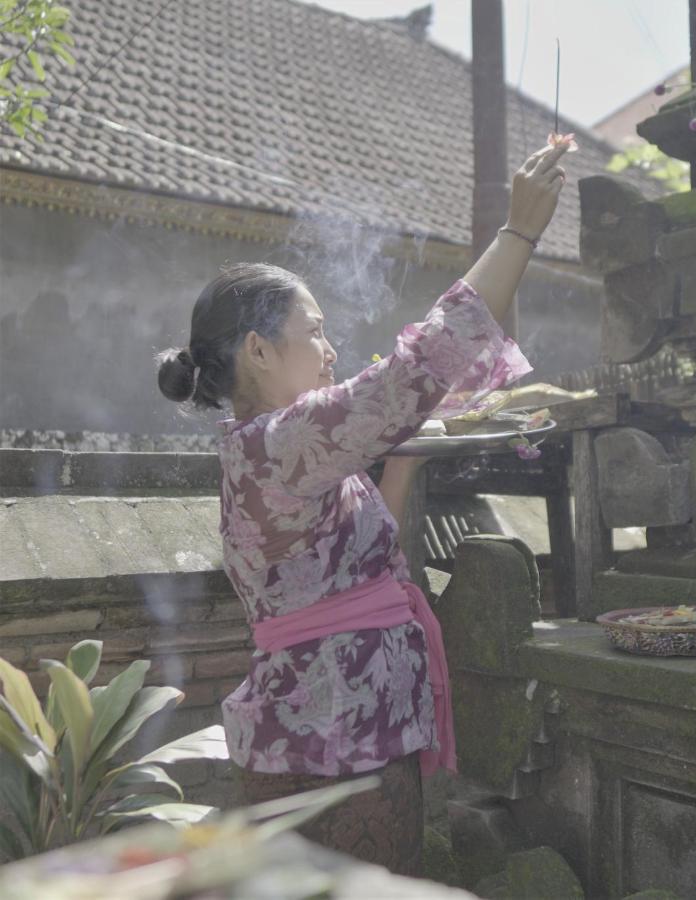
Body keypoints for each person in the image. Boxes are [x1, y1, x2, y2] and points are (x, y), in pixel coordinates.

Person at [156, 140, 571, 875]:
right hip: (338, 736)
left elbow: (339, 562)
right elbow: (421, 367)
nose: (329, 347)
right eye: (312, 330)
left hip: (331, 721)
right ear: (257, 349)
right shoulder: (284, 440)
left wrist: (401, 464)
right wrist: (518, 235)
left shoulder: (279, 451)